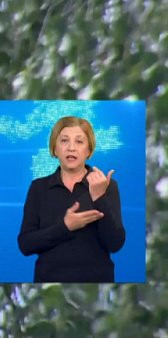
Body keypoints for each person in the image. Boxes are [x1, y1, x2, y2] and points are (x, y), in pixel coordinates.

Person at [17, 116, 126, 282]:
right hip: (49, 284)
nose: (71, 148)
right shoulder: (39, 188)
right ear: (55, 149)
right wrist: (65, 227)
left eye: (79, 142)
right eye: (64, 141)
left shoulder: (106, 185)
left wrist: (99, 197)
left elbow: (115, 243)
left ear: (89, 150)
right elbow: (25, 244)